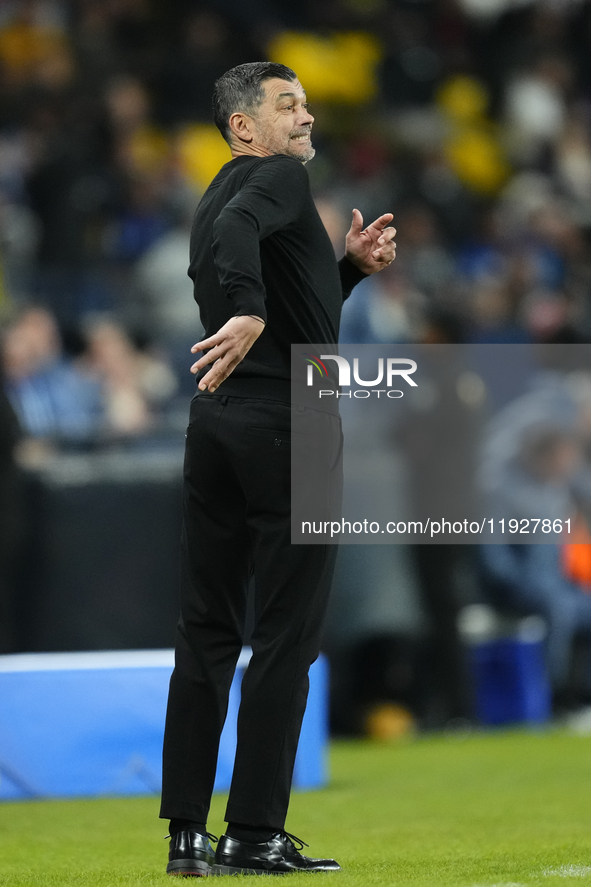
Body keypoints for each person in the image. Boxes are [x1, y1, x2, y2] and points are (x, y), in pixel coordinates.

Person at [160, 61, 396, 877]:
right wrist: (250, 308)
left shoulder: (215, 197)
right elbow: (254, 285)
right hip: (291, 424)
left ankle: (185, 833)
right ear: (243, 127)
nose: (306, 115)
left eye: (305, 101)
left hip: (217, 422)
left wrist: (348, 273)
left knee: (206, 632)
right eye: (286, 104)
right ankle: (254, 832)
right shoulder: (283, 182)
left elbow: (302, 313)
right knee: (285, 636)